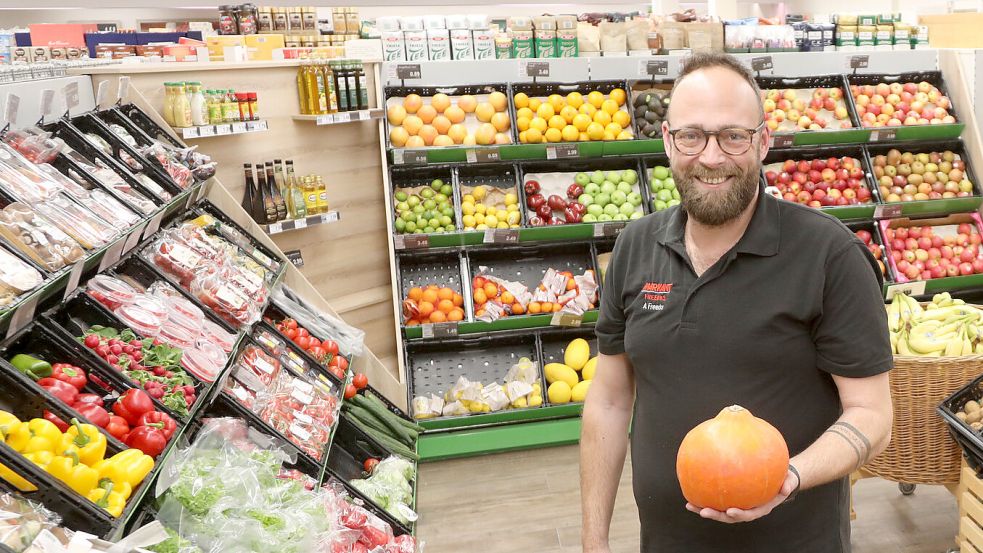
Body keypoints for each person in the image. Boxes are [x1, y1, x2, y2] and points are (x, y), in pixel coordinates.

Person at [580, 52, 894, 553]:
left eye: (733, 136)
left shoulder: (830, 256)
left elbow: (872, 416)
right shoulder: (634, 248)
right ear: (667, 141)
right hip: (666, 542)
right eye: (692, 136)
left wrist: (785, 477)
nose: (710, 157)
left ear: (763, 142)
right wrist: (593, 540)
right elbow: (610, 400)